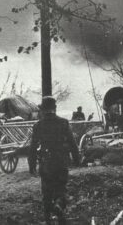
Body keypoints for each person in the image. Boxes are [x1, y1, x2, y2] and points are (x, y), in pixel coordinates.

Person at [28, 96, 80, 225]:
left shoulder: (38, 125)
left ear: (42, 109)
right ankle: (59, 207)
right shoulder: (63, 122)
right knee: (61, 188)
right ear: (55, 108)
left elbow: (33, 147)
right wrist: (77, 159)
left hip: (46, 162)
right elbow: (73, 143)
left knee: (46, 191)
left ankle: (48, 219)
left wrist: (32, 165)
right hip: (61, 161)